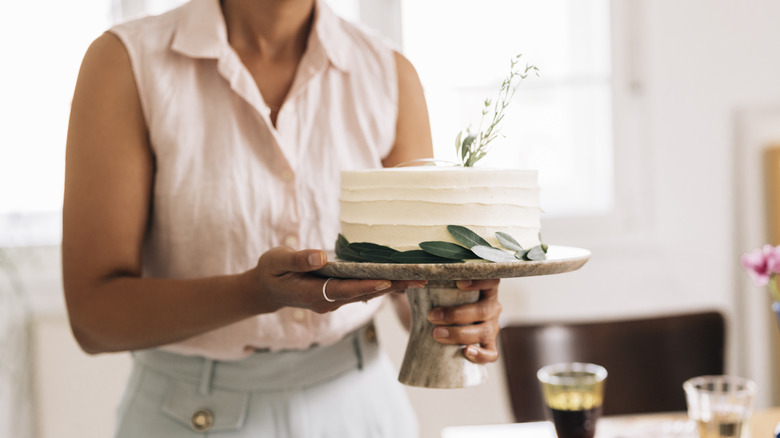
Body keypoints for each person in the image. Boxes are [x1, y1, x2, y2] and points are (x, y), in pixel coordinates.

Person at [61, 0, 502, 436]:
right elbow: (94, 319)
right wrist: (255, 293)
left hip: (363, 410)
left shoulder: (389, 73)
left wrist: (453, 314)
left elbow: (411, 282)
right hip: (189, 416)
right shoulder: (127, 62)